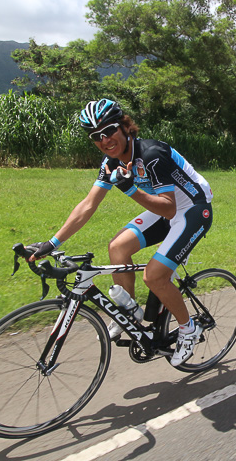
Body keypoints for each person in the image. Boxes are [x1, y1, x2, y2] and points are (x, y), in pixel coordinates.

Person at [27, 98, 213, 367]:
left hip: (194, 208)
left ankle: (188, 328)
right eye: (95, 136)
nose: (105, 140)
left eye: (109, 130)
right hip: (166, 207)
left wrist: (130, 190)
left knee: (154, 276)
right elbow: (88, 205)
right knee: (117, 247)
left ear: (125, 127)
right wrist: (52, 242)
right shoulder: (110, 163)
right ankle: (130, 315)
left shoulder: (151, 155)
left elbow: (170, 210)